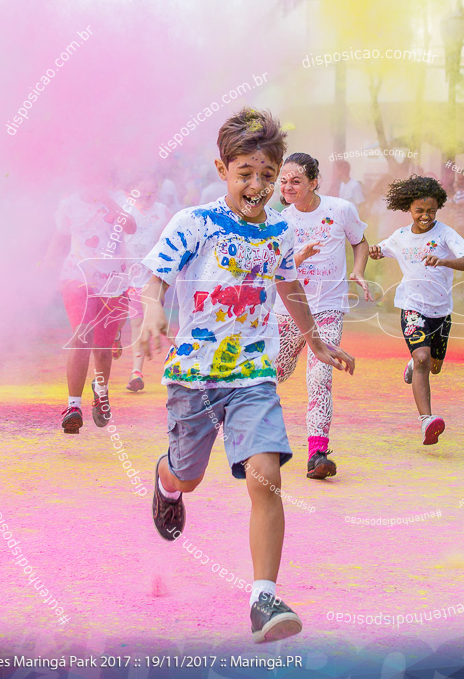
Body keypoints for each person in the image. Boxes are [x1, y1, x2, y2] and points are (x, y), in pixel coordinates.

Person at [139, 108, 354, 640]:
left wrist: (314, 338)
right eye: (246, 174)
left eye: (267, 175)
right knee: (188, 474)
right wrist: (151, 310)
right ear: (223, 170)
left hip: (252, 375)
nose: (257, 186)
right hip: (195, 376)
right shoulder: (196, 222)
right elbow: (155, 277)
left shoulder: (280, 231)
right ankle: (167, 483)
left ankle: (263, 600)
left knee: (267, 476)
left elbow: (288, 286)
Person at [274, 152, 371, 479]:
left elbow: (360, 242)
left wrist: (358, 270)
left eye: (295, 181)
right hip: (287, 310)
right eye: (283, 181)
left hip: (327, 308)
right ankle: (256, 438)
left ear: (314, 182)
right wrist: (297, 257)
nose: (287, 187)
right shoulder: (279, 220)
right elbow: (275, 270)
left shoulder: (341, 210)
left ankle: (317, 454)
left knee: (319, 379)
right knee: (274, 375)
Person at [368, 176, 464, 445]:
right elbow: (381, 249)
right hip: (412, 307)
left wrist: (444, 260)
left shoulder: (446, 234)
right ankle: (427, 420)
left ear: (437, 208)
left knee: (434, 367)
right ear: (409, 209)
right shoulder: (401, 236)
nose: (425, 216)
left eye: (431, 211)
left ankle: (413, 363)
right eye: (419, 211)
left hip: (441, 311)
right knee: (423, 360)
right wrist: (375, 251)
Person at [44, 185, 136, 433]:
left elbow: (131, 227)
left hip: (112, 283)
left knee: (103, 351)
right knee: (82, 335)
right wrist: (45, 268)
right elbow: (59, 238)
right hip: (77, 278)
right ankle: (73, 406)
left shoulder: (118, 198)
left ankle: (101, 392)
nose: (90, 178)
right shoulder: (69, 204)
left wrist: (107, 199)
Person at [116, 176, 171, 392]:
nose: (148, 198)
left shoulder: (163, 212)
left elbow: (169, 242)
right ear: (132, 192)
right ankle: (133, 366)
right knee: (133, 322)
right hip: (129, 276)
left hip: (153, 278)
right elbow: (115, 241)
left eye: (152, 193)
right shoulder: (125, 210)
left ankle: (137, 371)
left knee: (148, 321)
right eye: (142, 193)